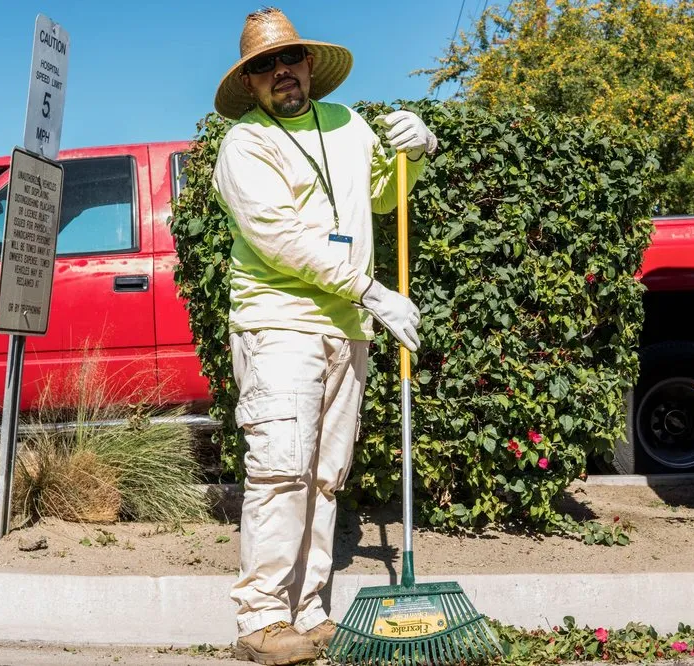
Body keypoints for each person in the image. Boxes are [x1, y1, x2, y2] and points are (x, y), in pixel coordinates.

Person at [211, 7, 437, 665]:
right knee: (282, 469)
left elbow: (382, 194)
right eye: (264, 65)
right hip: (278, 323)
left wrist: (417, 153)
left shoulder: (348, 124)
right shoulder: (245, 145)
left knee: (324, 476)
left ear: (309, 64)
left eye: (290, 59)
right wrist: (370, 288)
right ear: (250, 83)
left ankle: (306, 614)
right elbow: (280, 238)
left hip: (348, 330)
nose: (280, 71)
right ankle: (259, 621)